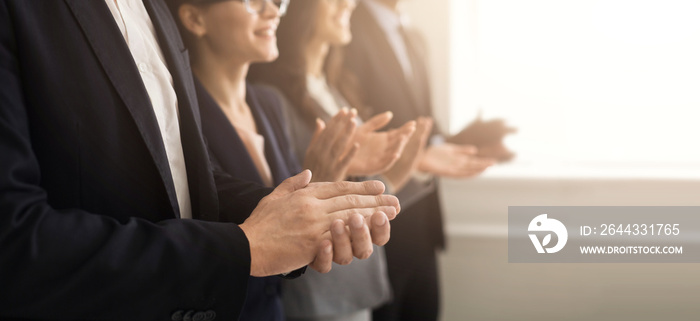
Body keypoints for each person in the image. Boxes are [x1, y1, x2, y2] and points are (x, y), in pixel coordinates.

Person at [0, 1, 401, 320]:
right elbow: (14, 240)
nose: (272, 8)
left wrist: (298, 216)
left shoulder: (153, 9)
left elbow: (187, 178)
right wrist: (245, 247)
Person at [167, 0, 416, 319]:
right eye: (253, 2)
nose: (272, 11)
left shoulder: (269, 103)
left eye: (276, 2)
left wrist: (327, 178)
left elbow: (292, 214)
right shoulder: (183, 114)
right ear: (194, 18)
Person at [248, 0, 433, 320]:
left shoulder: (335, 88)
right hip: (317, 292)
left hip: (355, 282)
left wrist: (407, 168)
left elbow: (350, 187)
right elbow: (288, 198)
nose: (349, 3)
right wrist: (393, 176)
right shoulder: (272, 97)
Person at [344, 0, 500, 320]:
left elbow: (424, 126)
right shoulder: (347, 29)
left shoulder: (414, 37)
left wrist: (457, 142)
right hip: (381, 230)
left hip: (423, 225)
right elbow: (358, 134)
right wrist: (421, 156)